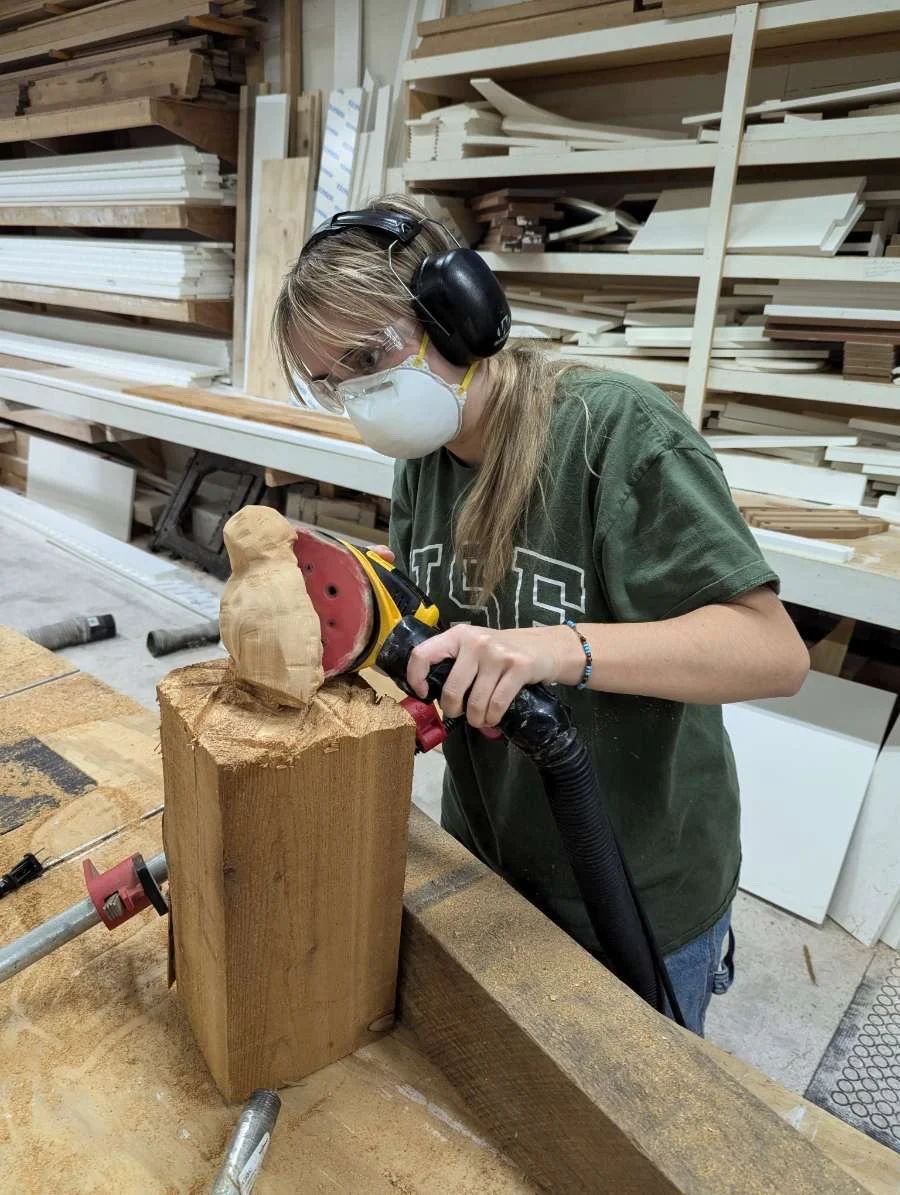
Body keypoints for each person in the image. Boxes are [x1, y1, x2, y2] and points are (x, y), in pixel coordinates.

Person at [272, 195, 810, 1036]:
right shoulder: (426, 464)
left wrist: (559, 648)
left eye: (367, 356)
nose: (362, 395)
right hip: (492, 859)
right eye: (334, 381)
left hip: (638, 883)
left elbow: (774, 652)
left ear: (459, 314)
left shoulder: (614, 432)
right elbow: (440, 638)